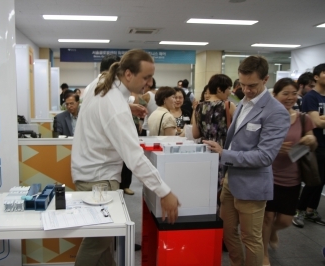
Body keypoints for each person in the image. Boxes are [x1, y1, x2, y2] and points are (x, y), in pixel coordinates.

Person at [71, 49, 180, 266]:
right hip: (99, 180)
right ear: (128, 74)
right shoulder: (115, 107)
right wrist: (164, 191)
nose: (149, 83)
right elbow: (134, 158)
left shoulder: (103, 82)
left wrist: (127, 104)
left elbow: (102, 105)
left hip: (88, 174)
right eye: (146, 77)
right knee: (98, 243)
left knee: (104, 243)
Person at [204, 55, 290, 266]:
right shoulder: (242, 102)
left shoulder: (276, 112)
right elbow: (237, 140)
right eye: (242, 84)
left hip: (253, 184)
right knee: (226, 231)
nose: (246, 89)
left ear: (266, 79)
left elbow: (265, 156)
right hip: (231, 180)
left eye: (252, 85)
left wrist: (225, 154)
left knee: (251, 239)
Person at [262, 78, 317, 266]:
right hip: (268, 175)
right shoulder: (266, 117)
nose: (290, 97)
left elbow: (312, 140)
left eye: (294, 93)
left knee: (285, 220)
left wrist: (309, 141)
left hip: (292, 178)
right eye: (285, 93)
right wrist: (275, 148)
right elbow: (256, 144)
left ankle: (273, 232)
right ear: (275, 95)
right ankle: (264, 255)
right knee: (267, 217)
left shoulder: (303, 118)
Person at [293, 63, 325, 228]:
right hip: (314, 145)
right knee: (313, 178)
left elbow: (320, 120)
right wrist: (320, 120)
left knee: (321, 181)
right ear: (316, 76)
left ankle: (311, 210)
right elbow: (316, 122)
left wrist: (321, 119)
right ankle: (299, 210)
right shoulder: (311, 97)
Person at [192, 74, 236, 148]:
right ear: (219, 89)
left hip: (205, 148)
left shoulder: (198, 107)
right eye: (228, 88)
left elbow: (195, 134)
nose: (230, 92)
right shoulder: (228, 105)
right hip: (223, 149)